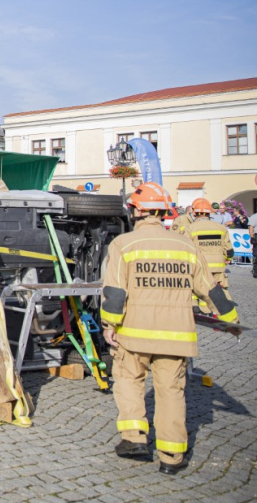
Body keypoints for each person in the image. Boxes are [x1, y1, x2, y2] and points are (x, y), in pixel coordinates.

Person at [100, 182, 239, 475]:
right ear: (164, 212)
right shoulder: (186, 245)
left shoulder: (123, 244)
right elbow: (210, 289)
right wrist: (231, 318)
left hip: (134, 333)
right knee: (172, 391)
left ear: (135, 210)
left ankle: (135, 439)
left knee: (127, 380)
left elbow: (114, 291)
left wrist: (109, 325)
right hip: (176, 336)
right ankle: (172, 457)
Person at [180, 198, 235, 308]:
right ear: (209, 212)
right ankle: (225, 308)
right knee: (220, 288)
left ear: (195, 213)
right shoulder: (221, 227)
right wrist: (227, 258)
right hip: (219, 265)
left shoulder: (191, 228)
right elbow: (229, 250)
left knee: (201, 287)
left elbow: (185, 247)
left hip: (201, 265)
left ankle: (202, 308)